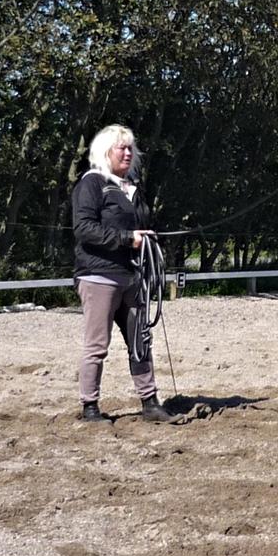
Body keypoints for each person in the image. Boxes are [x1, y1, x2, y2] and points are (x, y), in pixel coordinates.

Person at [71, 124, 175, 423]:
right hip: (99, 275)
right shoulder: (91, 184)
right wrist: (128, 238)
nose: (128, 153)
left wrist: (147, 237)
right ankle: (90, 406)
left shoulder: (134, 188)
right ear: (107, 152)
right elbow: (85, 229)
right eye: (122, 148)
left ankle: (150, 401)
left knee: (140, 340)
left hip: (133, 275)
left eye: (131, 148)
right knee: (97, 344)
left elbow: (140, 224)